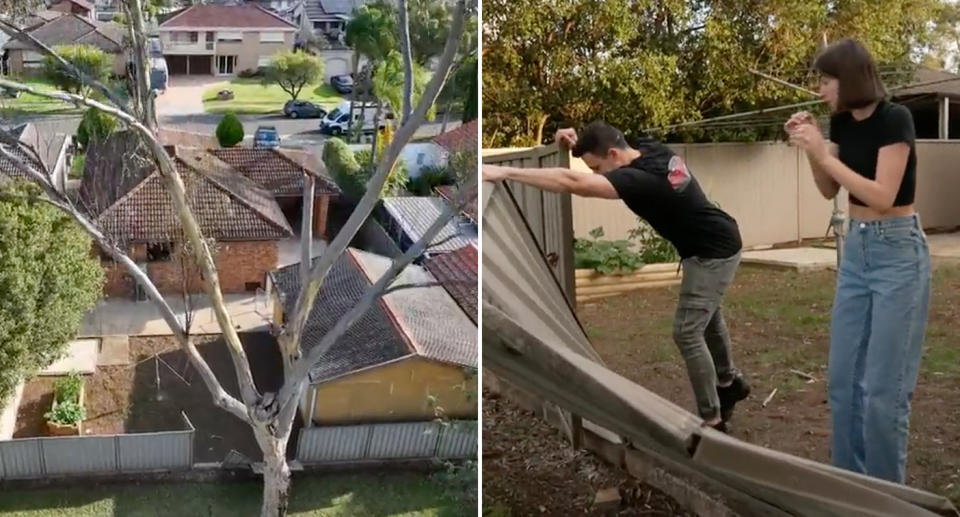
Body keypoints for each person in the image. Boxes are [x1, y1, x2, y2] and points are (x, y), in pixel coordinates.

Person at [482, 121, 750, 431]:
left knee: (687, 332)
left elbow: (570, 181)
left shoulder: (639, 180)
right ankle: (729, 382)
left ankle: (712, 421)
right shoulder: (648, 148)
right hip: (710, 241)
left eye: (597, 168)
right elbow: (605, 138)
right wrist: (573, 141)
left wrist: (504, 172)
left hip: (713, 252)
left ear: (612, 153)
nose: (597, 176)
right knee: (707, 318)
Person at [785, 38, 930, 484]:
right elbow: (831, 190)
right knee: (844, 386)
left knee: (884, 393)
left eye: (826, 81)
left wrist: (821, 151)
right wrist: (816, 154)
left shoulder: (895, 119)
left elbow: (882, 195)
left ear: (848, 80)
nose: (822, 90)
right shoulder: (843, 123)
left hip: (897, 252)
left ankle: (887, 499)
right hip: (858, 250)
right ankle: (848, 489)